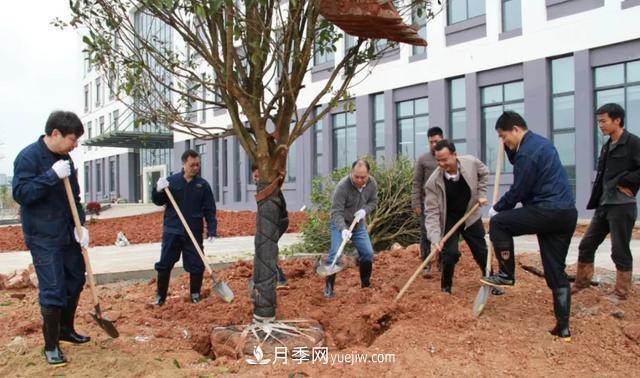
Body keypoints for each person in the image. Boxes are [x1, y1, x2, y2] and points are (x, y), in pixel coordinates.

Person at [480, 111, 577, 341]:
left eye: (504, 137)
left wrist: (498, 207)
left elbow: (519, 190)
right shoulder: (540, 144)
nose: (504, 142)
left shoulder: (527, 153)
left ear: (515, 129)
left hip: (547, 209)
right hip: (566, 214)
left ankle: (505, 274)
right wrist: (507, 148)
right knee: (555, 270)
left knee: (500, 223)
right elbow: (519, 161)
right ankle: (563, 328)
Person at [13, 111, 90, 366]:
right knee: (53, 288)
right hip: (42, 235)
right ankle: (51, 346)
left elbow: (75, 198)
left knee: (76, 277)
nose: (75, 144)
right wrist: (50, 176)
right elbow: (22, 193)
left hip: (66, 232)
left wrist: (81, 225)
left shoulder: (65, 159)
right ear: (55, 133)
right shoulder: (28, 157)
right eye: (72, 138)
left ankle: (65, 329)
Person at [573, 103, 640, 301]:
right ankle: (581, 283)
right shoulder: (607, 145)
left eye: (603, 121)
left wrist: (627, 183)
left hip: (622, 205)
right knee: (586, 244)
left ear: (617, 120)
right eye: (598, 121)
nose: (600, 125)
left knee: (619, 249)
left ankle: (621, 292)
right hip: (604, 204)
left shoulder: (633, 143)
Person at [425, 140, 503, 295]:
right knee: (450, 253)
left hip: (470, 215)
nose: (441, 164)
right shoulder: (433, 182)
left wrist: (481, 194)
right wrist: (434, 239)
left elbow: (484, 173)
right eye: (438, 160)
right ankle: (446, 288)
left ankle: (491, 280)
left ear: (454, 155)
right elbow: (432, 212)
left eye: (445, 159)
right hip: (450, 218)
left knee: (481, 251)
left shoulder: (471, 163)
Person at [152, 149, 217, 305]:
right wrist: (157, 189)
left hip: (193, 232)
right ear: (184, 164)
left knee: (196, 264)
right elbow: (158, 201)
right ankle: (160, 297)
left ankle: (195, 294)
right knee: (164, 265)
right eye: (192, 165)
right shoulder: (171, 182)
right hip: (172, 231)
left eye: (197, 165)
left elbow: (210, 210)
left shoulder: (203, 185)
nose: (195, 168)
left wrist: (212, 230)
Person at [324, 159, 378, 298]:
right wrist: (343, 229)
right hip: (340, 225)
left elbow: (373, 201)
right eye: (356, 177)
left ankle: (365, 284)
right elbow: (336, 211)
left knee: (367, 253)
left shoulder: (372, 184)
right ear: (352, 173)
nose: (360, 180)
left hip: (358, 226)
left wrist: (365, 211)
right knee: (336, 254)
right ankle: (329, 288)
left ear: (368, 174)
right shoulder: (343, 186)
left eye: (363, 177)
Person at [412, 127, 444, 274]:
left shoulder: (447, 156)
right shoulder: (423, 159)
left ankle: (442, 263)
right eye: (431, 142)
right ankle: (426, 264)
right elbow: (417, 182)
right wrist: (416, 203)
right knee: (425, 234)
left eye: (436, 141)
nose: (433, 144)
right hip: (427, 203)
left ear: (442, 139)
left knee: (444, 232)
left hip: (445, 203)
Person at [251, 164, 289, 289]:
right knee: (264, 248)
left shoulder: (271, 187)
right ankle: (270, 277)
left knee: (266, 249)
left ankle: (280, 278)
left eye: (258, 176)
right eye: (255, 176)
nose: (256, 179)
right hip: (271, 223)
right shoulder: (262, 186)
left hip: (279, 221)